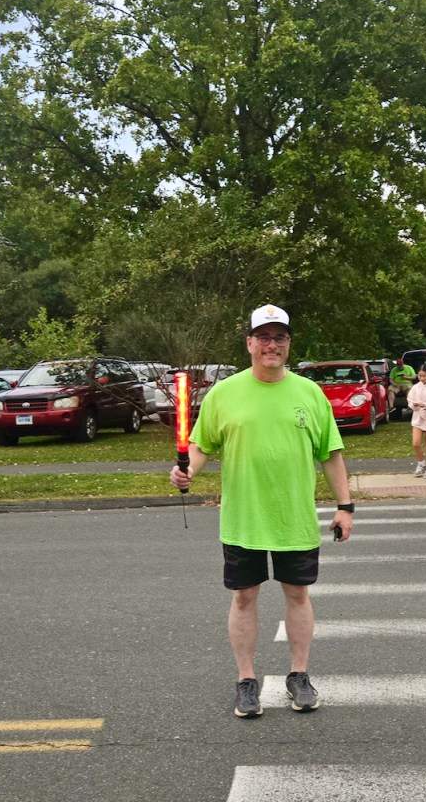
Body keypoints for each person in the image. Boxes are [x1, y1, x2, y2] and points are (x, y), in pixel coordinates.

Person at [170, 304, 353, 720]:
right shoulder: (224, 394)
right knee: (244, 597)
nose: (272, 345)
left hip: (294, 517)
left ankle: (299, 675)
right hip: (244, 518)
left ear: (288, 344)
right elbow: (200, 446)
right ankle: (246, 680)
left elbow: (331, 454)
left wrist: (345, 507)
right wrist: (187, 472)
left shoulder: (309, 393)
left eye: (280, 338)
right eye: (264, 337)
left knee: (297, 594)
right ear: (250, 343)